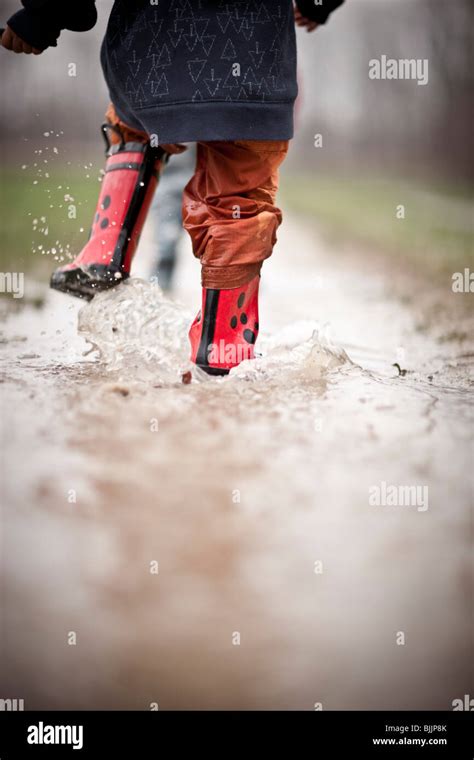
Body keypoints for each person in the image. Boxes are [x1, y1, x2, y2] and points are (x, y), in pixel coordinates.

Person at [2, 0, 345, 375]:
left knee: (132, 128)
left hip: (156, 45)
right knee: (240, 194)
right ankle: (224, 346)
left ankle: (104, 250)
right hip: (254, 62)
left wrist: (45, 13)